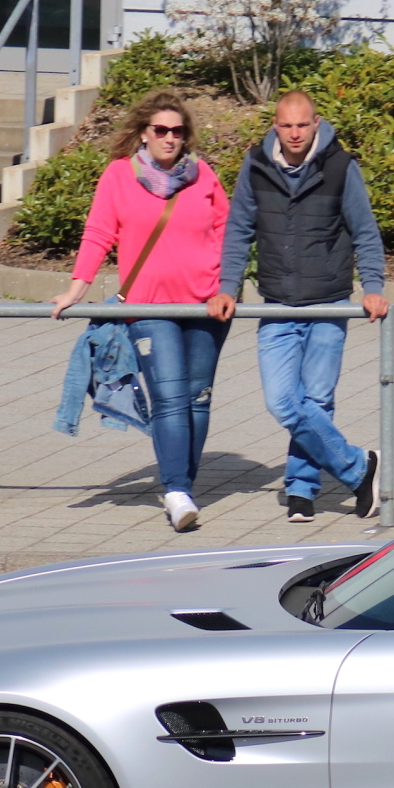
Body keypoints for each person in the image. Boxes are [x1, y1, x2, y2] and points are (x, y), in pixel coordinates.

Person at [49, 90, 232, 532]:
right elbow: (98, 233)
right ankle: (175, 489)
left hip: (204, 303)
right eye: (161, 130)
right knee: (169, 398)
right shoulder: (118, 176)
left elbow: (229, 229)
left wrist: (227, 287)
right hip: (149, 306)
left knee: (197, 398)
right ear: (144, 134)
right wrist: (76, 289)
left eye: (178, 131)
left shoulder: (202, 174)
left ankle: (181, 486)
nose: (170, 138)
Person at [208, 90, 383, 523]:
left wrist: (374, 287)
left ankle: (301, 489)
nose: (294, 134)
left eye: (302, 125)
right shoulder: (256, 165)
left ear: (317, 123)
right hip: (277, 304)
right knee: (283, 402)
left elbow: (365, 231)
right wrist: (227, 286)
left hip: (329, 303)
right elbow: (238, 231)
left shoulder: (341, 166)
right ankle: (359, 467)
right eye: (286, 126)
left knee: (318, 400)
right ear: (274, 126)